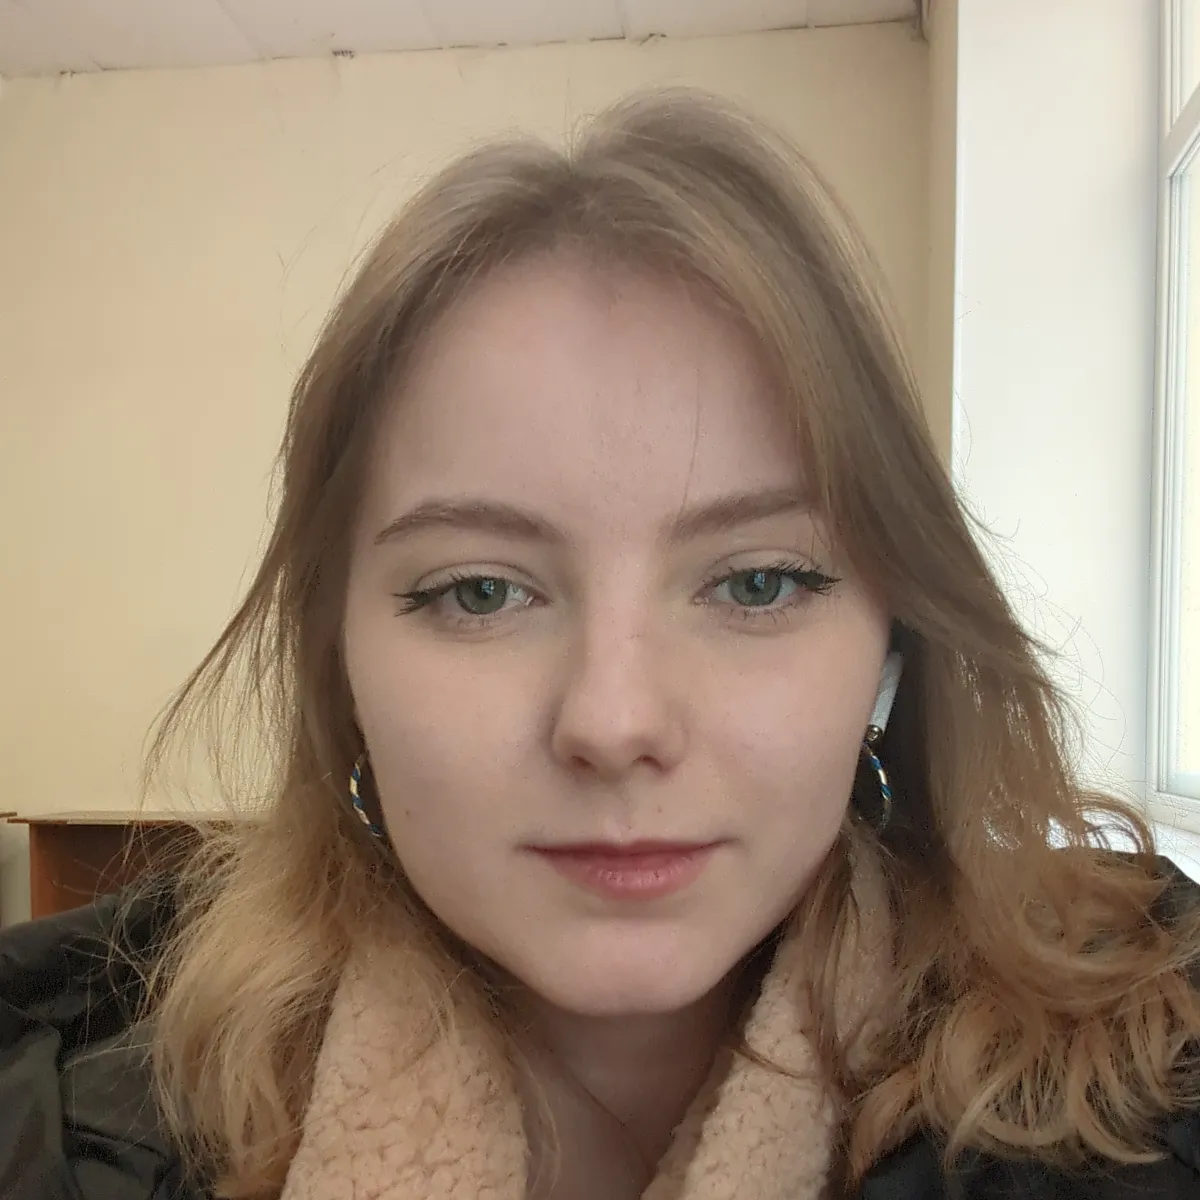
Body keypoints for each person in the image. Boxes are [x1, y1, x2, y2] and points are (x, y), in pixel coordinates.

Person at [1, 88, 1198, 1200]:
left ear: (896, 648)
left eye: (758, 582)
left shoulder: (1156, 1090)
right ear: (341, 668)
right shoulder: (62, 1126)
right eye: (480, 593)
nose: (615, 723)